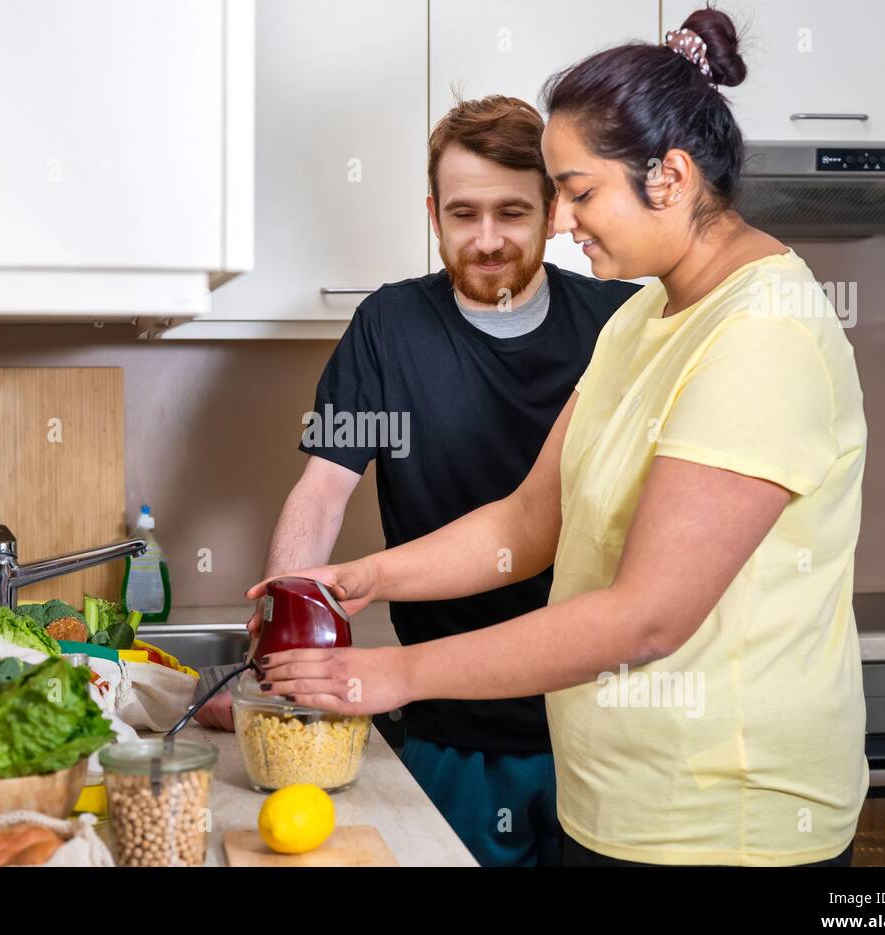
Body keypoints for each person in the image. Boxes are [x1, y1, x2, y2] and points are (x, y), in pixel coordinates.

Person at [250, 7, 869, 867]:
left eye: (576, 193)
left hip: (719, 825)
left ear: (672, 177)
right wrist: (363, 578)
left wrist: (395, 675)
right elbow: (527, 523)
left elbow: (646, 619)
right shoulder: (648, 316)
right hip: (613, 803)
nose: (566, 223)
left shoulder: (764, 332)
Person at [197, 95, 638, 867]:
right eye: (465, 213)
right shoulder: (391, 327)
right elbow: (324, 488)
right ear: (433, 214)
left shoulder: (625, 323)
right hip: (449, 721)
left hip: (605, 722)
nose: (489, 239)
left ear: (554, 210)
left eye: (512, 211)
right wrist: (283, 637)